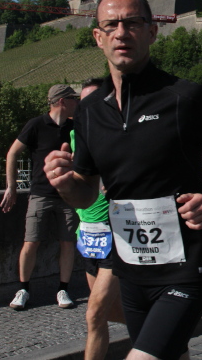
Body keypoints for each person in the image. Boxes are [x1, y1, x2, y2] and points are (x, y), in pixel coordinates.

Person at [44, 0, 202, 360]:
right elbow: (86, 192)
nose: (121, 32)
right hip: (131, 273)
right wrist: (65, 184)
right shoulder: (90, 111)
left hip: (186, 270)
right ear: (97, 37)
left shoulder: (185, 97)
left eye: (132, 23)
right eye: (111, 25)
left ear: (152, 31)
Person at [0, 84, 79, 310]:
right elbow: (12, 153)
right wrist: (11, 186)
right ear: (62, 101)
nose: (77, 102)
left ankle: (63, 289)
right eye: (73, 98)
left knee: (68, 243)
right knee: (31, 242)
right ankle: (23, 289)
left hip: (68, 196)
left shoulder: (75, 127)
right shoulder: (36, 124)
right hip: (40, 194)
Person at [73, 77, 125, 360]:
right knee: (108, 313)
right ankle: (163, 334)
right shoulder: (76, 136)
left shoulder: (121, 133)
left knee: (93, 314)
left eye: (94, 101)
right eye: (84, 103)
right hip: (88, 233)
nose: (88, 108)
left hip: (115, 232)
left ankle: (162, 334)